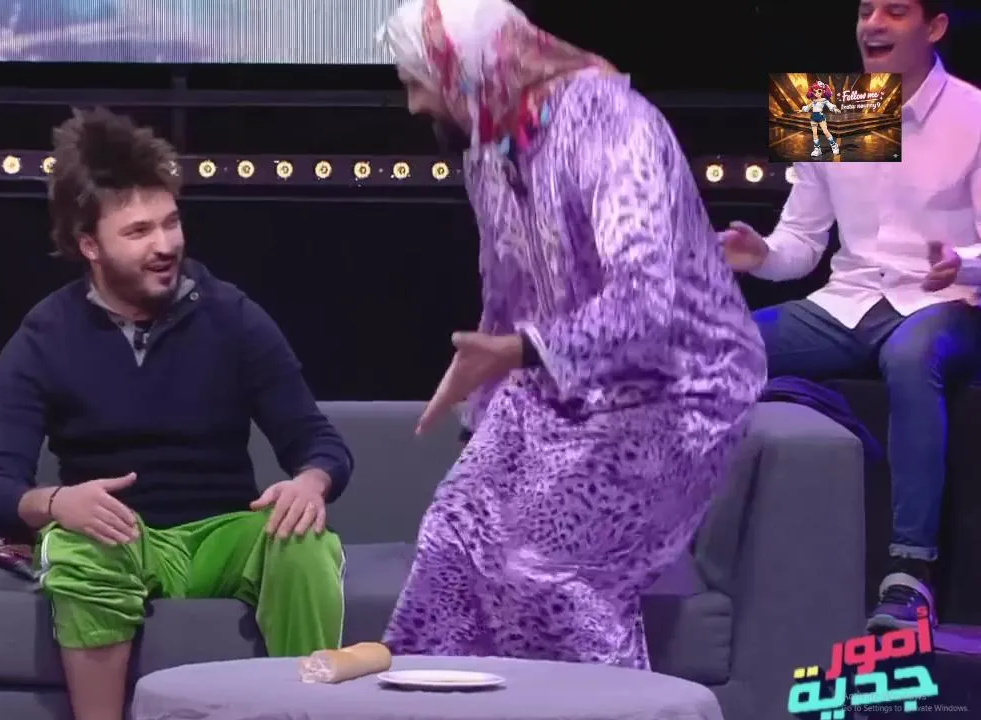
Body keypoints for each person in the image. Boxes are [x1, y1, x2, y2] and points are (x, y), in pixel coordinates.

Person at [376, 0, 767, 667]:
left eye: (419, 83)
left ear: (468, 72)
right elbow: (508, 292)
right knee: (451, 536)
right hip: (558, 382)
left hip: (676, 386)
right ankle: (437, 704)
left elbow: (645, 302)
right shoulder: (489, 146)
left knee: (541, 565)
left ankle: (612, 706)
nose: (413, 105)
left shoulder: (614, 126)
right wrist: (486, 404)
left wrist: (521, 351)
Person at [0, 108, 353, 720]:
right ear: (90, 245)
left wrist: (311, 482)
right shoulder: (45, 335)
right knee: (78, 546)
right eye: (139, 231)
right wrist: (57, 503)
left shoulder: (232, 316)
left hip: (226, 533)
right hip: (123, 539)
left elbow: (318, 442)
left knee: (306, 540)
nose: (165, 245)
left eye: (171, 223)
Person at [721, 0, 981, 632]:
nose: (873, 25)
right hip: (849, 301)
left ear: (934, 27)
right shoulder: (837, 107)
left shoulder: (972, 114)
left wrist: (964, 263)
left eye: (895, 11)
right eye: (866, 11)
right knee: (722, 346)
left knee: (911, 357)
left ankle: (910, 576)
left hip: (944, 301)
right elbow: (802, 244)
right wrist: (762, 256)